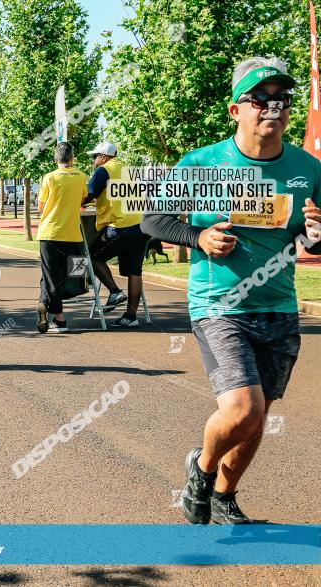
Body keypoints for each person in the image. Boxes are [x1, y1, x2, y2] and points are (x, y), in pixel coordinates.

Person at [142, 57, 321, 524]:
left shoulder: (308, 168)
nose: (273, 107)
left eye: (282, 99)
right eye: (261, 98)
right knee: (244, 407)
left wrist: (318, 234)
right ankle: (201, 470)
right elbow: (153, 220)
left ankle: (223, 495)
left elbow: (309, 239)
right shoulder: (202, 164)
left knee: (257, 418)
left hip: (278, 305)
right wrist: (198, 238)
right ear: (235, 109)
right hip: (219, 306)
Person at [83, 141, 148, 327]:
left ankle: (114, 291)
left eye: (95, 156)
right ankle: (130, 316)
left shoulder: (104, 170)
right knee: (135, 272)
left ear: (103, 157)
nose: (94, 160)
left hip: (120, 226)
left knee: (93, 256)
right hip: (141, 225)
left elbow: (90, 193)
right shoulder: (128, 168)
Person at [35, 142, 88, 334]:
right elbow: (83, 200)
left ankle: (58, 317)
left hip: (49, 233)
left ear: (55, 159)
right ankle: (49, 309)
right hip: (72, 235)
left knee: (50, 275)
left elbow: (41, 207)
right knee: (67, 274)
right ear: (72, 158)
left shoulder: (49, 178)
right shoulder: (81, 176)